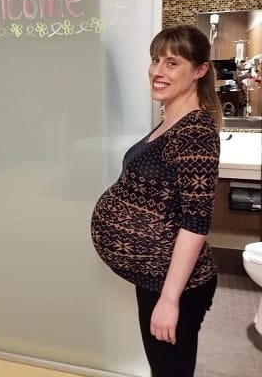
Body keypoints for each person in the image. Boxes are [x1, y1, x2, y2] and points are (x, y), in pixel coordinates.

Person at [91, 24, 222, 377]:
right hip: (155, 277)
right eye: (154, 60)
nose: (157, 71)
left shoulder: (194, 132)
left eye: (172, 63)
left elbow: (195, 224)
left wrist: (169, 299)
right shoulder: (171, 120)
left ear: (199, 70)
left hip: (174, 284)